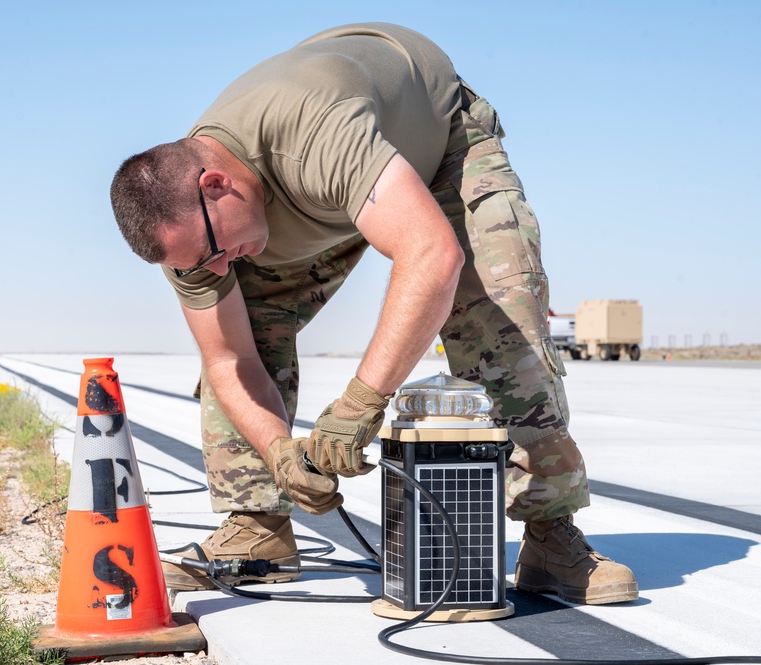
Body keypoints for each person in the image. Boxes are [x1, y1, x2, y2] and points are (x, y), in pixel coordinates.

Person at [110, 22, 637, 605]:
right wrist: (279, 453)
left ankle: (550, 533)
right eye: (195, 266)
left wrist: (359, 404)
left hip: (437, 148)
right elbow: (228, 357)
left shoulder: (311, 133)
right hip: (324, 196)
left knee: (499, 322)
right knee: (246, 337)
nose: (212, 270)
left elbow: (430, 255)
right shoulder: (185, 230)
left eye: (211, 254)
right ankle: (259, 528)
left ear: (216, 186)